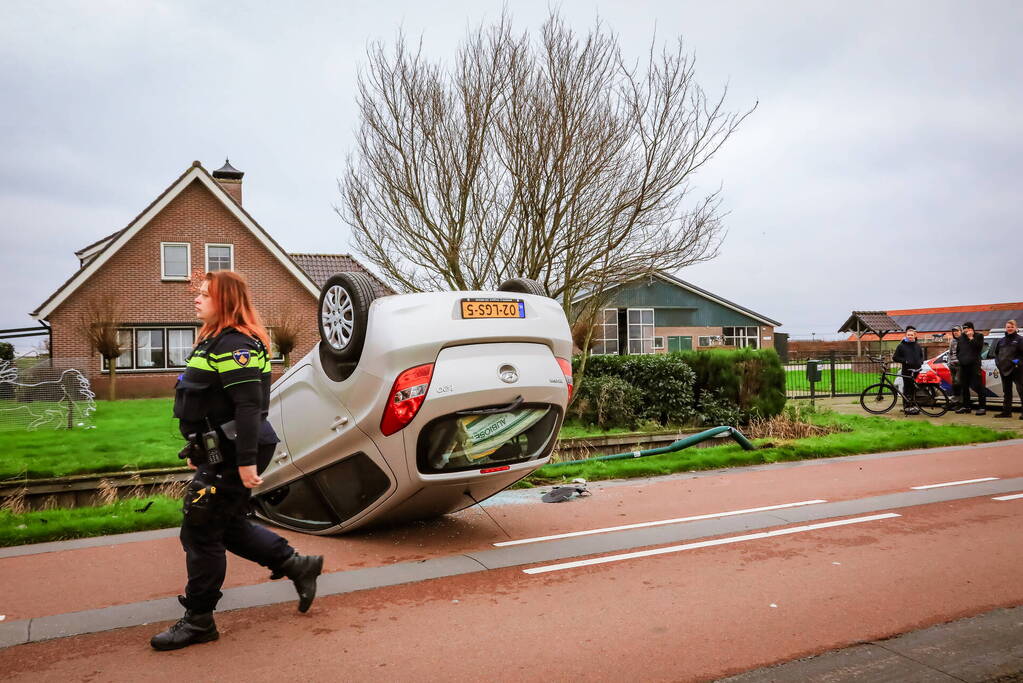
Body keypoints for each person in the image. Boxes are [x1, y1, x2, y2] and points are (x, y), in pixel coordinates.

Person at [151, 271, 324, 651]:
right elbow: (208, 404)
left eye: (204, 295)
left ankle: (199, 620)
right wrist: (198, 449)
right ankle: (297, 565)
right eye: (197, 293)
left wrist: (245, 463)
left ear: (226, 301)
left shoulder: (235, 344)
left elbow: (248, 407)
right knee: (222, 524)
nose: (196, 299)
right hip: (220, 450)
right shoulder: (211, 341)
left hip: (236, 451)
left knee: (200, 528)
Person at [991, 319, 1023, 419]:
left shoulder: (1020, 340)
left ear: (1016, 328)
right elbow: (996, 354)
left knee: (1021, 390)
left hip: (1016, 369)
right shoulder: (1001, 341)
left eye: (1012, 327)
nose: (1010, 329)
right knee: (1007, 392)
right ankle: (1006, 412)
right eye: (1008, 327)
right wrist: (998, 364)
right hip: (1004, 369)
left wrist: (1016, 363)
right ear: (1006, 328)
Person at [955, 322, 986, 415]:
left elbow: (978, 347)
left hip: (974, 366)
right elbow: (958, 351)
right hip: (964, 366)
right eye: (964, 329)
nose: (965, 331)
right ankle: (966, 406)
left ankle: (982, 407)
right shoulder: (961, 338)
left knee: (978, 386)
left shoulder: (978, 336)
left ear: (972, 329)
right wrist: (960, 359)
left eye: (967, 329)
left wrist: (971, 338)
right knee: (964, 387)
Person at [892, 326, 924, 414]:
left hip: (916, 370)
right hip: (907, 370)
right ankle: (906, 407)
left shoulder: (917, 345)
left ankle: (913, 406)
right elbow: (895, 357)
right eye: (908, 335)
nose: (910, 336)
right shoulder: (901, 346)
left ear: (915, 336)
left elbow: (921, 355)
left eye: (911, 335)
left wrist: (921, 362)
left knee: (913, 389)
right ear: (906, 335)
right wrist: (905, 361)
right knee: (907, 388)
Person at [947, 325, 962, 407]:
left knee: (958, 382)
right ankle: (955, 402)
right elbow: (950, 352)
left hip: (960, 365)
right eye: (954, 331)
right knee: (954, 383)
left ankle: (959, 401)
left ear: (961, 331)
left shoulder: (963, 340)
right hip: (952, 365)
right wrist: (949, 362)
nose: (955, 332)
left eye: (957, 331)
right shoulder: (952, 341)